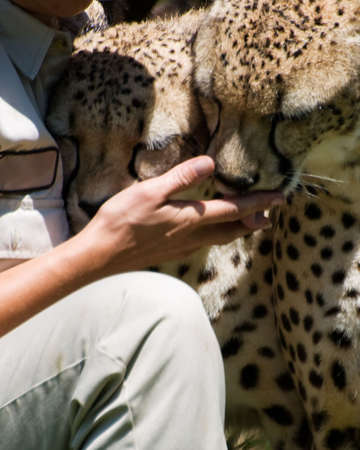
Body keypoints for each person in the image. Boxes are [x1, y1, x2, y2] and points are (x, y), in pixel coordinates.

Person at [0, 1, 284, 448]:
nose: (95, 191)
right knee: (152, 323)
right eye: (72, 140)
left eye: (151, 144)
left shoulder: (55, 37)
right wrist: (100, 253)